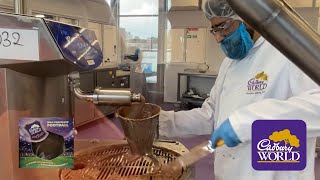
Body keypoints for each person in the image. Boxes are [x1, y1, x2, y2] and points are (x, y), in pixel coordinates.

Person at [158, 0, 320, 179]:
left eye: (222, 27)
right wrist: (163, 122)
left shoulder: (287, 53)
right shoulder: (230, 63)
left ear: (248, 17)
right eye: (214, 30)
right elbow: (212, 115)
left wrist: (250, 122)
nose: (218, 38)